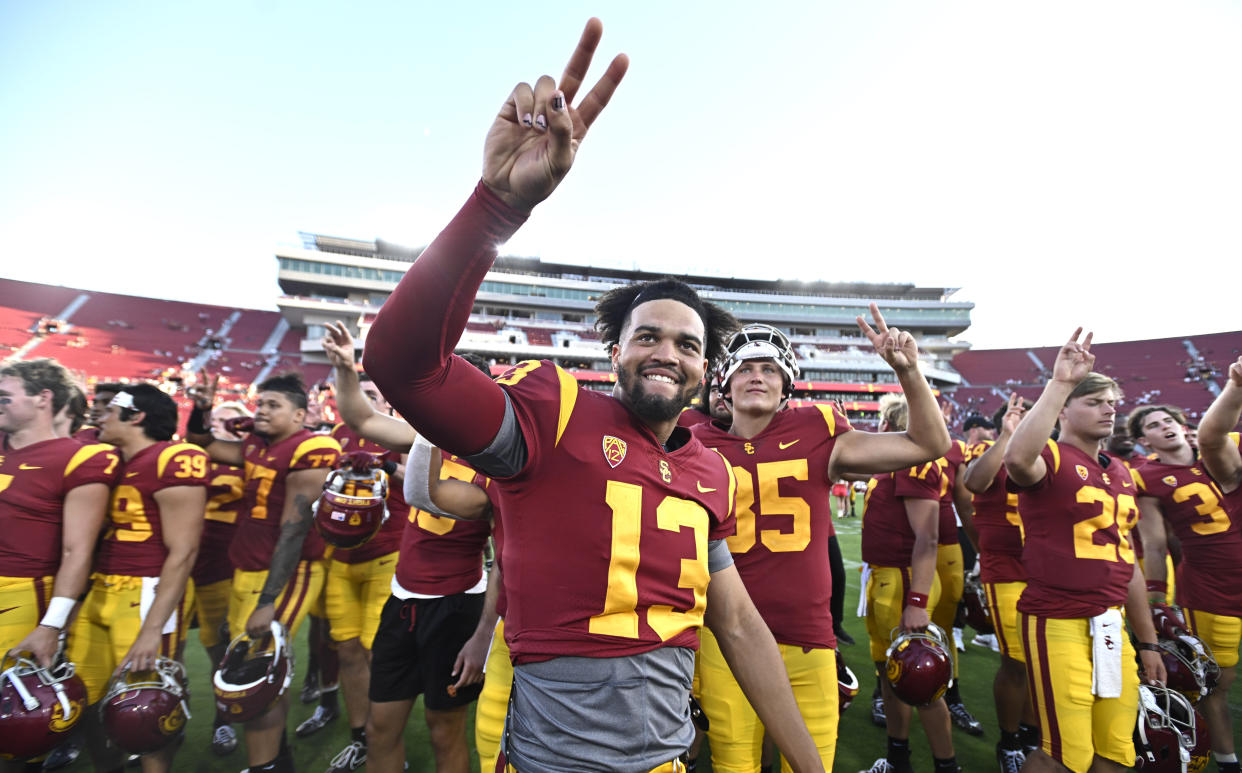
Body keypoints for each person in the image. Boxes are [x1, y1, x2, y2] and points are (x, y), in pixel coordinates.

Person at [362, 18, 827, 772]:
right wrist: (495, 207)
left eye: (686, 343)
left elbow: (737, 623)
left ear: (705, 370)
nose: (665, 353)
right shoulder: (553, 412)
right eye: (648, 336)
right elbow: (402, 361)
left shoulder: (711, 471)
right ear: (615, 353)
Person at [690, 320, 950, 773]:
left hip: (806, 636)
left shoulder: (818, 430)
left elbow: (930, 442)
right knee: (736, 765)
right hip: (724, 637)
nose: (758, 376)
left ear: (786, 383)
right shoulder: (692, 442)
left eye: (770, 369)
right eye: (746, 368)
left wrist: (908, 372)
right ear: (725, 383)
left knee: (813, 763)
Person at [1002, 330, 1165, 773]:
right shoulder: (1051, 456)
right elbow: (1017, 460)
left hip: (1111, 624)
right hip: (1057, 620)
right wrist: (1058, 383)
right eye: (1094, 401)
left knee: (1115, 751)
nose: (1109, 407)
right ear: (1065, 411)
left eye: (1111, 401)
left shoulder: (1123, 473)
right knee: (1063, 756)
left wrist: (1147, 640)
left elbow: (1126, 560)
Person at [186, 372, 341, 773]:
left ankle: (265, 764)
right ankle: (278, 758)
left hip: (290, 570)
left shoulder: (313, 446)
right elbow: (201, 444)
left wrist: (269, 601)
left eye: (273, 405)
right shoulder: (256, 444)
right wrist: (202, 408)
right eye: (260, 404)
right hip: (248, 566)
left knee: (258, 671)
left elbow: (294, 529)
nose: (262, 411)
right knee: (262, 670)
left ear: (301, 414)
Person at [68, 384, 208, 773]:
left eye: (111, 409)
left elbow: (184, 551)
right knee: (89, 697)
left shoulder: (172, 458)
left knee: (147, 706)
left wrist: (153, 629)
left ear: (137, 416)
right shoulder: (109, 460)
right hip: (101, 588)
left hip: (147, 589)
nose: (100, 415)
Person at [0, 359, 117, 772]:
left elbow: (77, 551)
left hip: (20, 594)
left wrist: (52, 625)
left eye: (5, 396)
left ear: (42, 398)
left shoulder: (79, 457)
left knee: (16, 720)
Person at [858, 394, 958, 773]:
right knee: (893, 675)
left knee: (923, 681)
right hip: (886, 577)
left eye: (884, 419)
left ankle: (946, 766)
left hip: (903, 581)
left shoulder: (914, 464)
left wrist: (917, 600)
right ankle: (898, 759)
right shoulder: (894, 463)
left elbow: (928, 538)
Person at [962, 394, 1040, 771]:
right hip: (1006, 568)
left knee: (1043, 662)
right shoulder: (987, 450)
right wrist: (1007, 437)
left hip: (1047, 570)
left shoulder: (1050, 451)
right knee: (1018, 660)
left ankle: (1031, 736)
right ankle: (1009, 741)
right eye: (1019, 416)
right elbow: (974, 482)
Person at [1181, 362, 1242, 773]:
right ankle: (1222, 761)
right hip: (1217, 584)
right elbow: (1212, 437)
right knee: (1214, 682)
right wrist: (1235, 388)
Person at [189, 397, 252, 757]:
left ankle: (222, 716)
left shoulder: (249, 460)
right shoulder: (187, 454)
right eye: (217, 419)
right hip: (176, 561)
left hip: (222, 562)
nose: (221, 425)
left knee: (220, 645)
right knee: (169, 645)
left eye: (232, 420)